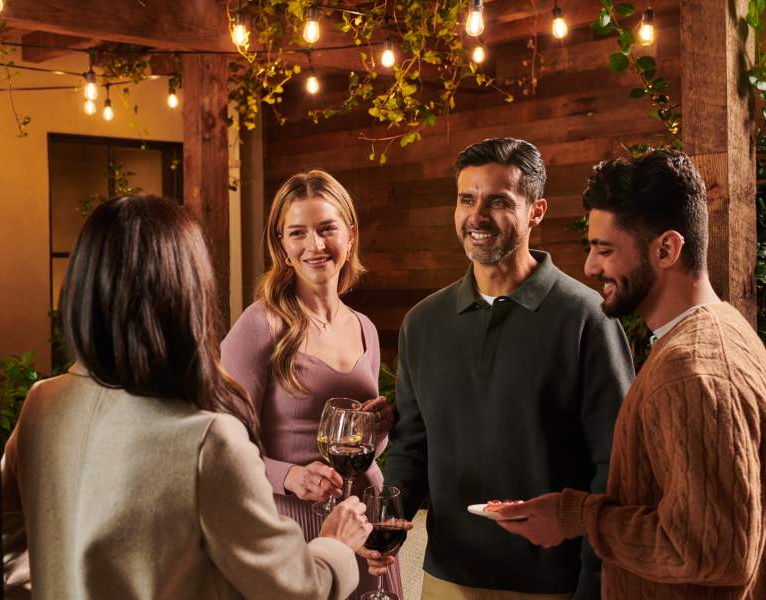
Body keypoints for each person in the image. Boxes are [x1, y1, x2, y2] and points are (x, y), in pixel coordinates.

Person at [1, 195, 372, 600]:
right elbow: (296, 590)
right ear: (187, 291)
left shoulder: (42, 404)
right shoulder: (209, 440)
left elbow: (5, 544)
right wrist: (334, 543)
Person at [493, 149, 766, 599]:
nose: (590, 267)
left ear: (666, 249)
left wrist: (578, 516)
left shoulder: (690, 369)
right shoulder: (725, 330)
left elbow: (713, 552)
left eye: (605, 250)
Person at [371, 138, 635, 599]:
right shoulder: (423, 323)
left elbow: (613, 465)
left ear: (536, 211)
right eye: (466, 199)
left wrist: (595, 584)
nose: (477, 216)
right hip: (447, 578)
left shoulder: (586, 317)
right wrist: (386, 524)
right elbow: (411, 447)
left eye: (497, 201)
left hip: (553, 584)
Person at [221, 170, 402, 599]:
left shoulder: (365, 328)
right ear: (282, 245)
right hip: (295, 524)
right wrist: (289, 477)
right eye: (298, 233)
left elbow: (357, 450)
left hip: (363, 516)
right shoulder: (260, 324)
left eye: (327, 229)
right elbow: (220, 445)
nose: (314, 246)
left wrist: (380, 428)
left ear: (351, 235)